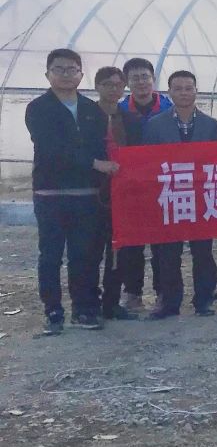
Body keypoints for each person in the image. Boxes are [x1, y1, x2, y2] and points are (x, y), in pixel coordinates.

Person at [26, 49, 117, 334]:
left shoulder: (92, 110)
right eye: (59, 69)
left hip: (87, 194)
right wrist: (94, 164)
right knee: (50, 255)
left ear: (81, 74)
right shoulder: (38, 109)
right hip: (51, 194)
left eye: (72, 69)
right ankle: (53, 310)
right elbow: (51, 148)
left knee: (84, 255)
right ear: (48, 74)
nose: (66, 75)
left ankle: (84, 309)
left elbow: (101, 146)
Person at [143, 71, 217, 319]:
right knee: (167, 252)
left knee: (203, 252)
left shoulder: (211, 125)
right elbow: (147, 162)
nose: (184, 93)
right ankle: (170, 302)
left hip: (201, 197)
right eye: (178, 89)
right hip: (169, 195)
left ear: (196, 91)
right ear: (169, 93)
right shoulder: (155, 125)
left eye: (189, 88)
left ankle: (204, 300)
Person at [116, 57, 172, 312]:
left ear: (153, 79)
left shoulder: (169, 107)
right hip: (129, 187)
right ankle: (133, 292)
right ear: (127, 82)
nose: (141, 82)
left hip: (162, 185)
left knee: (163, 242)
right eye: (135, 78)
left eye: (145, 77)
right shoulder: (118, 112)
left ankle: (163, 292)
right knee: (131, 242)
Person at [89, 67, 140, 323]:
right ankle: (88, 302)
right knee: (90, 250)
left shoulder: (130, 118)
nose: (113, 89)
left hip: (122, 192)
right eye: (108, 84)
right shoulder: (87, 115)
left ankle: (111, 302)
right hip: (92, 191)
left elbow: (139, 153)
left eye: (118, 85)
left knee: (118, 250)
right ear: (97, 86)